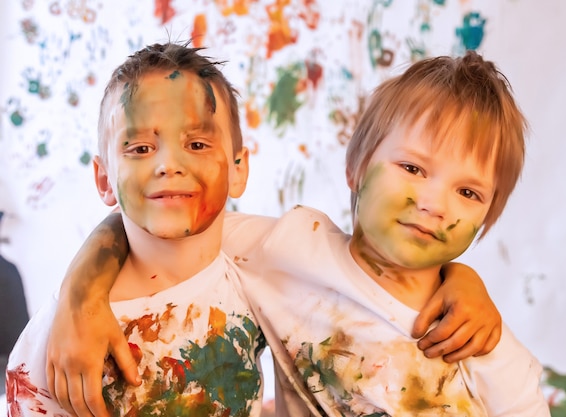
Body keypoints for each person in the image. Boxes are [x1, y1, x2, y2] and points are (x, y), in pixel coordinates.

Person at [35, 45, 505, 417]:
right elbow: (137, 223)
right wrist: (81, 298)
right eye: (412, 168)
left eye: (469, 193)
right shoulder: (284, 251)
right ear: (356, 167)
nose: (432, 204)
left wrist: (464, 278)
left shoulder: (486, 346)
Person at [6, 42, 264, 417]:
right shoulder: (58, 342)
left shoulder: (260, 266)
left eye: (196, 143)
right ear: (105, 179)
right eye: (141, 148)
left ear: (239, 168)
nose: (168, 165)